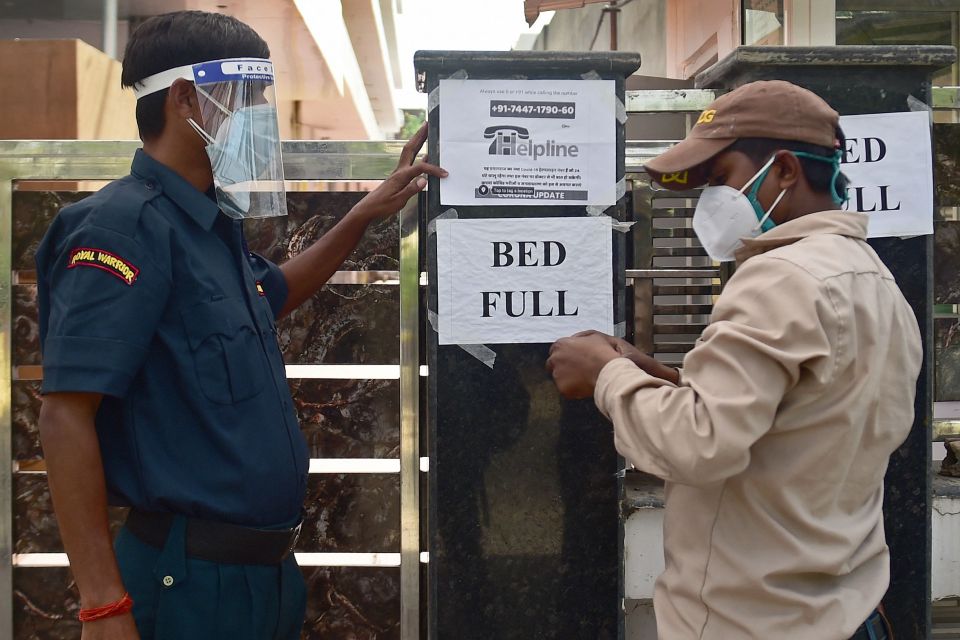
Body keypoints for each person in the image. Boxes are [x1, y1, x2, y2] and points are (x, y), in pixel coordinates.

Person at [35, 10, 445, 640]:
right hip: (189, 581)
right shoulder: (120, 228)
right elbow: (65, 415)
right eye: (243, 96)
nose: (257, 114)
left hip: (263, 575)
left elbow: (271, 293)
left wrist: (363, 214)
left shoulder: (208, 225)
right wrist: (102, 605)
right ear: (182, 97)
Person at [546, 80, 921, 640]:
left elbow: (698, 445)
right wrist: (668, 380)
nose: (710, 201)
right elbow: (800, 420)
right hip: (843, 611)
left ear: (787, 170)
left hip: (752, 620)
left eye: (720, 178)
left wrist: (606, 375)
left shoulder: (779, 277)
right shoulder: (874, 279)